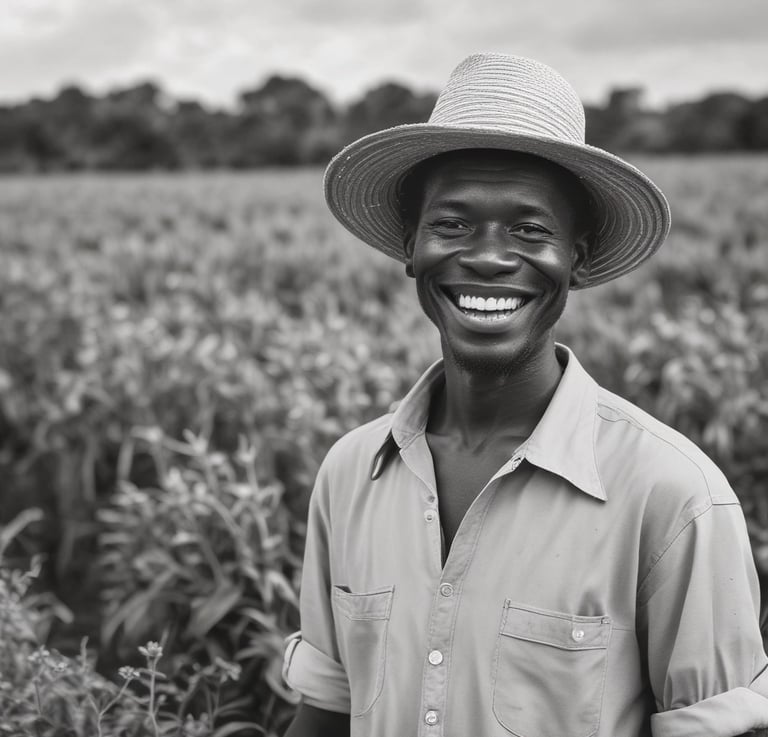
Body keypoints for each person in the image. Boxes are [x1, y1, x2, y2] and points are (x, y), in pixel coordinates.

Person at [281, 53, 768, 737]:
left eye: (530, 230)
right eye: (451, 224)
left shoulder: (673, 496)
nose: (487, 257)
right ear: (410, 247)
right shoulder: (350, 473)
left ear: (578, 257)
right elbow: (327, 714)